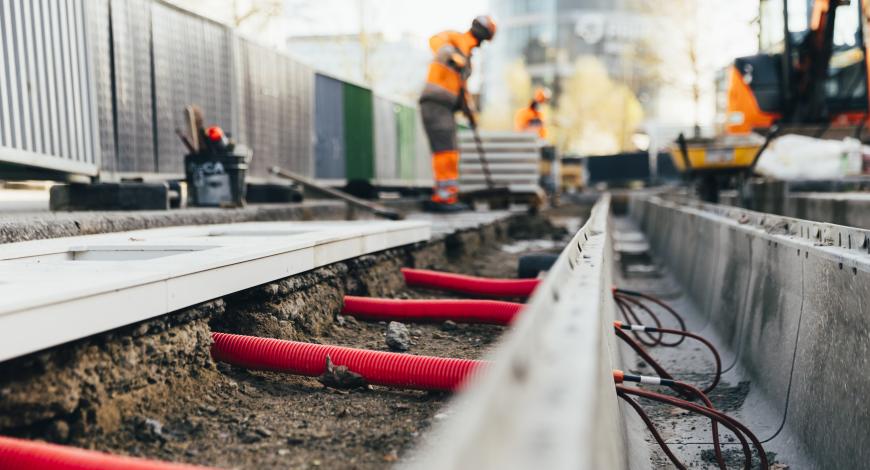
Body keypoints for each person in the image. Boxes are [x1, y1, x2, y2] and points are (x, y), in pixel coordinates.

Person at [419, 15, 497, 212]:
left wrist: (470, 112)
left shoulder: (468, 60)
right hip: (435, 103)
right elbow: (434, 41)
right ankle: (443, 197)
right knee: (445, 151)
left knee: (450, 151)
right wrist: (452, 55)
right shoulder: (454, 39)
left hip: (446, 107)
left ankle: (448, 195)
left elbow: (462, 90)